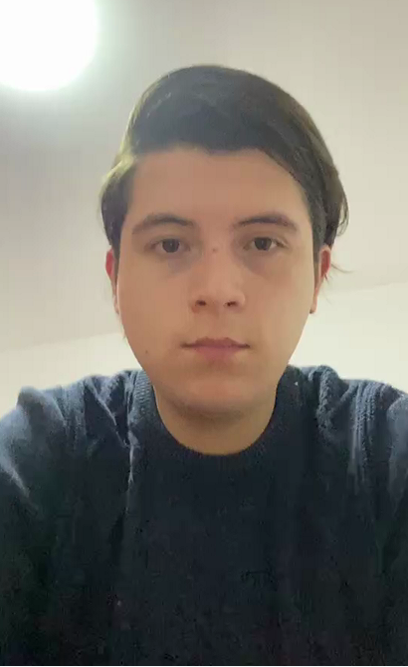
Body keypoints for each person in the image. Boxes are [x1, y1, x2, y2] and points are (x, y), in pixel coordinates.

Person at [0, 64, 407, 666]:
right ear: (116, 280)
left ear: (317, 277)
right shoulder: (44, 456)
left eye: (262, 243)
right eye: (170, 244)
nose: (217, 290)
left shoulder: (384, 453)